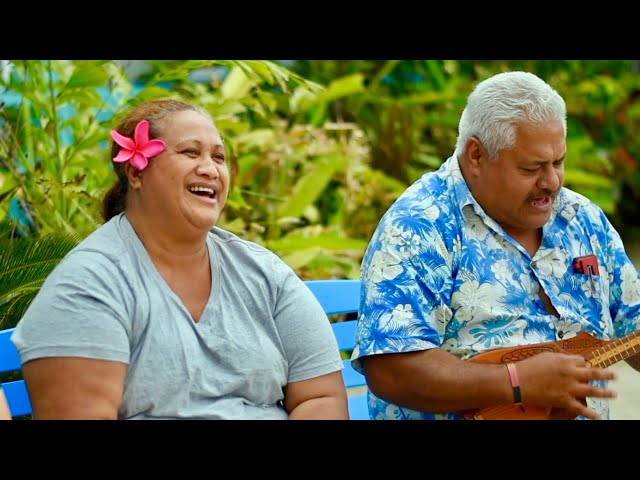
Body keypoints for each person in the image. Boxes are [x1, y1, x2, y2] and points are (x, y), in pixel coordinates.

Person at [10, 98, 349, 420]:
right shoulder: (89, 283)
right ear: (136, 173)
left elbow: (320, 396)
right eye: (190, 152)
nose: (211, 169)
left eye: (219, 157)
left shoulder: (264, 273)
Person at [352, 71, 640, 420]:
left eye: (558, 162)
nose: (551, 182)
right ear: (476, 155)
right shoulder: (419, 225)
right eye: (531, 167)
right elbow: (391, 370)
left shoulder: (582, 219)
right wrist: (515, 381)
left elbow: (632, 326)